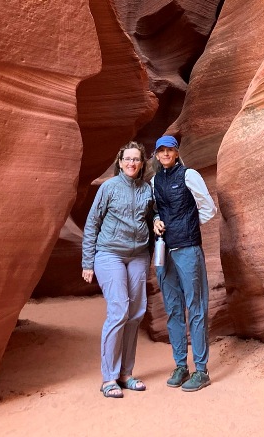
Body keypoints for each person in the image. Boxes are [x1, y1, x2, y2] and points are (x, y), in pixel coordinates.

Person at [82, 141, 154, 399]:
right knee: (119, 310)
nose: (132, 163)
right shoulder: (109, 188)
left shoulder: (147, 189)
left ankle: (126, 374)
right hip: (109, 253)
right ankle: (108, 378)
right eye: (127, 159)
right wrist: (87, 262)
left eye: (136, 159)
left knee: (135, 313)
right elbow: (92, 224)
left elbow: (153, 217)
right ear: (120, 162)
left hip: (138, 255)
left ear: (142, 163)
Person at [152, 134, 217, 392]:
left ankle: (201, 369)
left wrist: (188, 227)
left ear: (177, 153)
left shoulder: (189, 175)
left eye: (170, 150)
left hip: (188, 248)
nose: (166, 154)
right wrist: (156, 219)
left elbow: (208, 208)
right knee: (174, 309)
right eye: (161, 151)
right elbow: (157, 208)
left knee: (196, 307)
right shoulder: (155, 180)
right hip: (164, 251)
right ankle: (181, 365)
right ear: (157, 155)